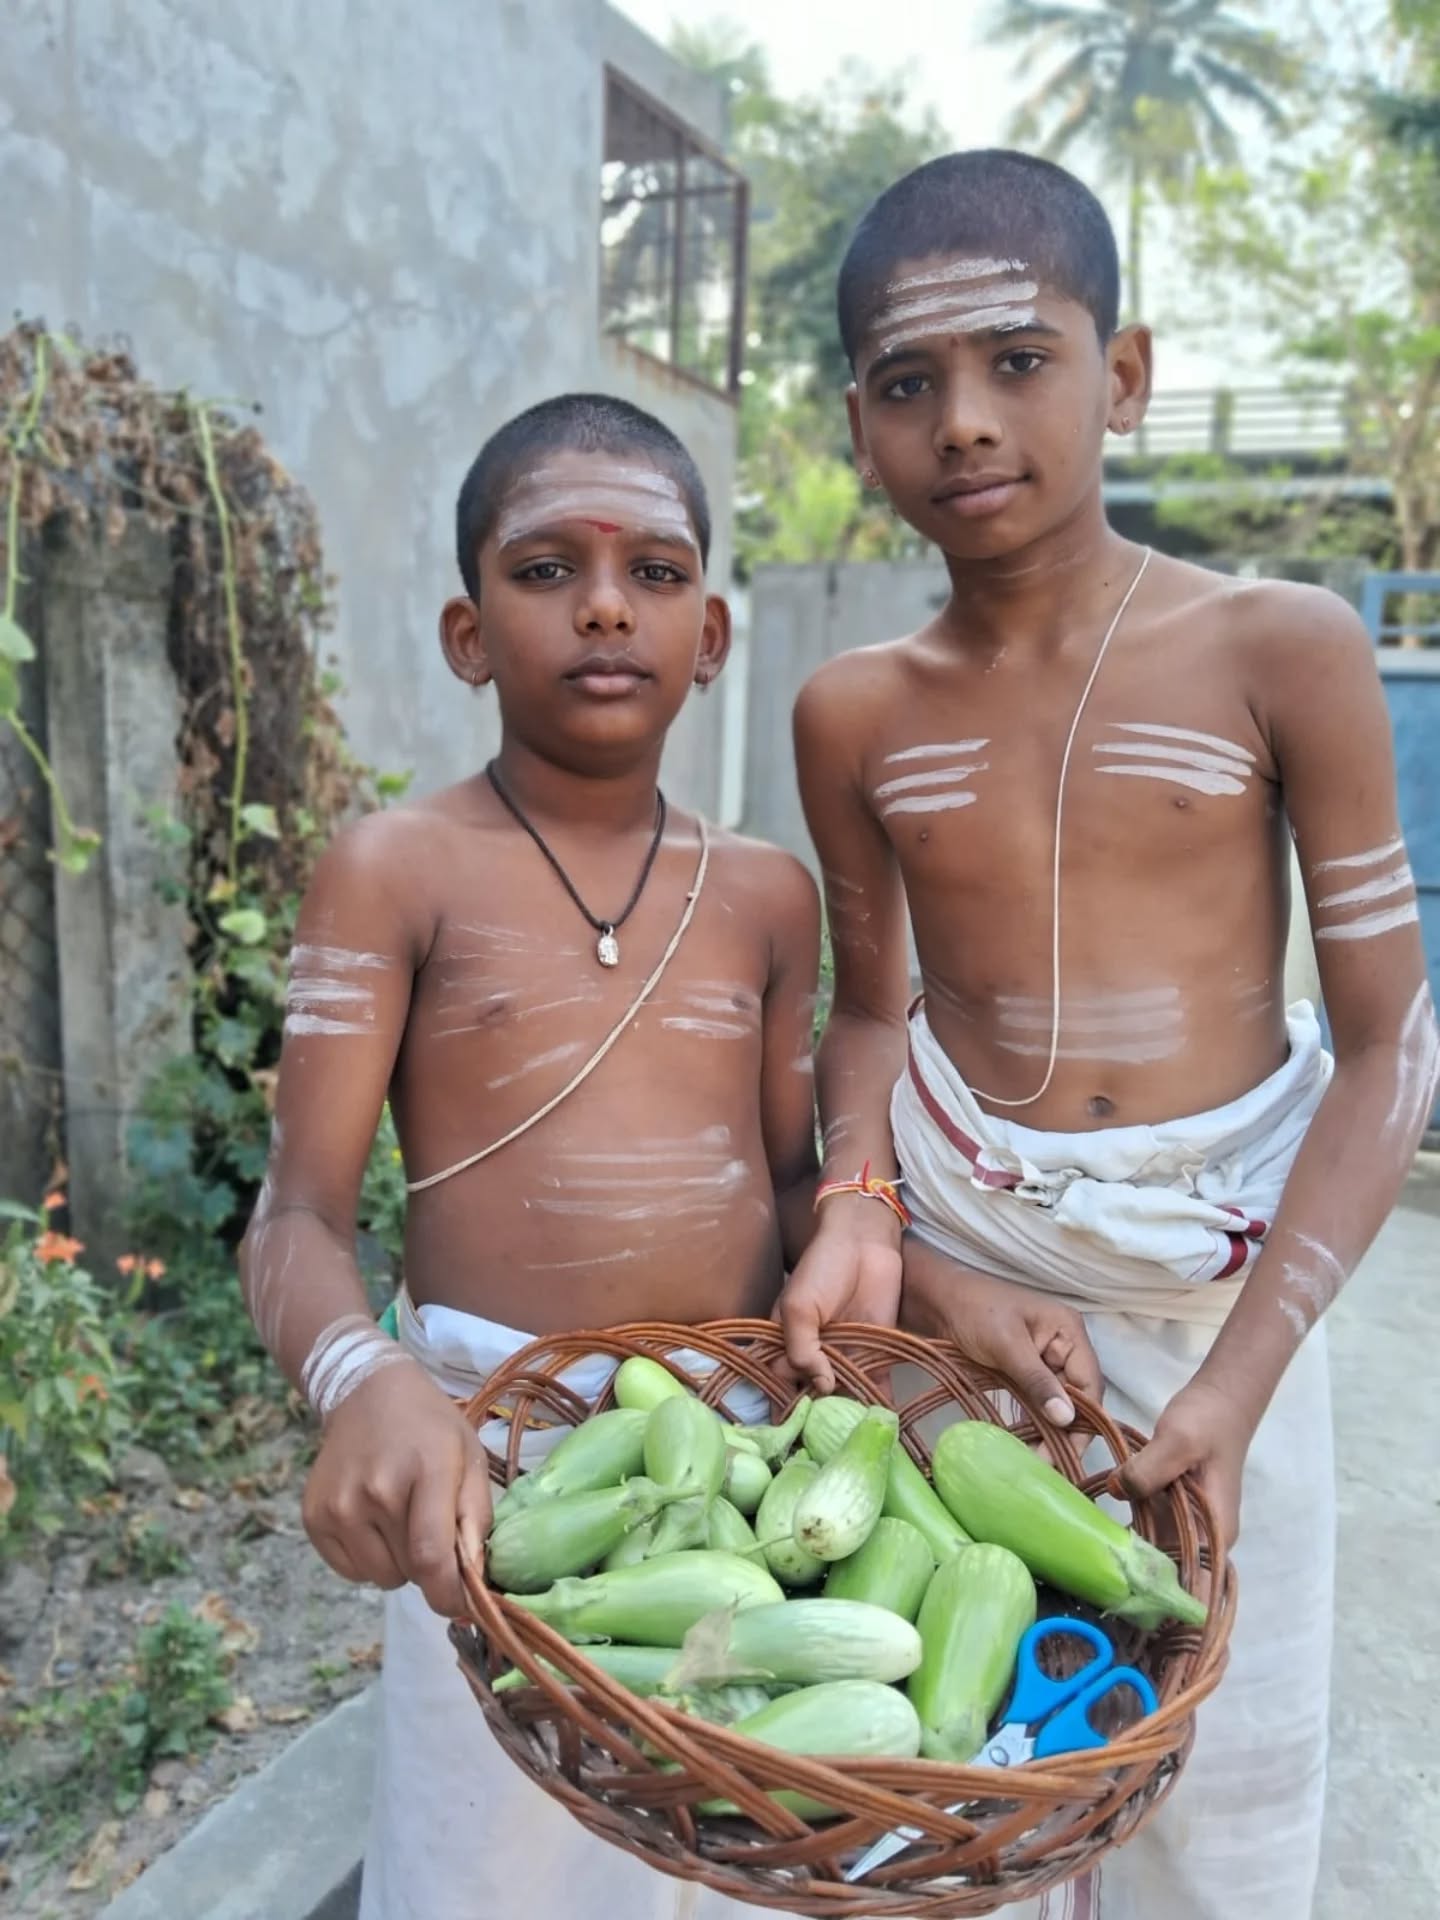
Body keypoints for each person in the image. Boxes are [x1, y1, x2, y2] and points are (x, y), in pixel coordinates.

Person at [779, 149, 1436, 1920]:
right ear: (859, 425)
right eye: (910, 385)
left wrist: (1234, 1390)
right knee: (953, 1745)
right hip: (976, 1285)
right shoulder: (851, 711)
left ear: (1121, 374)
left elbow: (1388, 1053)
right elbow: (867, 1015)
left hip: (1218, 1301)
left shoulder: (1278, 650)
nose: (966, 423)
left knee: (1209, 1787)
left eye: (1018, 360)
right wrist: (863, 1211)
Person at [239, 393, 821, 1920]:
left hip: (741, 1473)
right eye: (548, 567)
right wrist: (366, 1382)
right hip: (496, 1487)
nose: (608, 602)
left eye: (658, 570)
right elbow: (295, 1214)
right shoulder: (397, 870)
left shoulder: (766, 894)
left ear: (712, 637)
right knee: (487, 1865)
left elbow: (799, 1180)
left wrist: (883, 1269)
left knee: (736, 1845)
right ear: (466, 632)